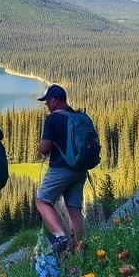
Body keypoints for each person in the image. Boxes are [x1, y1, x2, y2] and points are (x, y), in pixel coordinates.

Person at [35, 84, 87, 253]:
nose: (46, 105)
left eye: (48, 101)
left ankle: (61, 237)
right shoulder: (79, 116)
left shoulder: (53, 119)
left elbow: (44, 148)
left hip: (60, 169)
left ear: (56, 101)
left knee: (42, 200)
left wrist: (40, 145)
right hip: (80, 169)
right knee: (73, 208)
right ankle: (78, 247)